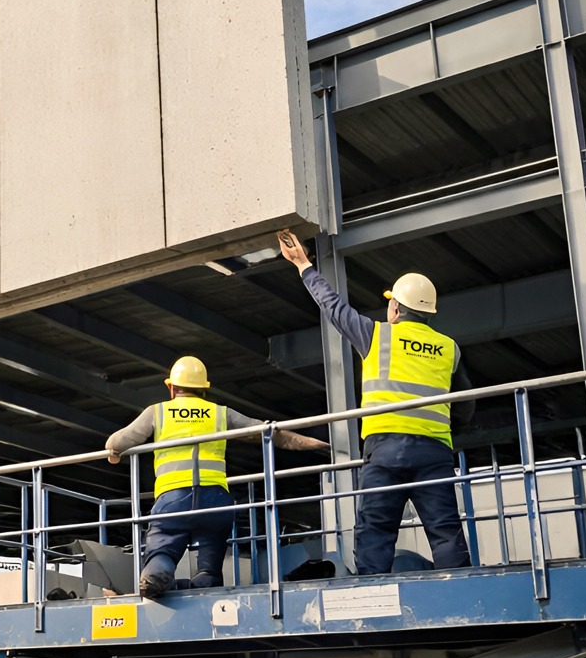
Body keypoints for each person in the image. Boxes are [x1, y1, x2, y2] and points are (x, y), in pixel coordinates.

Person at [276, 228, 472, 574]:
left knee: (376, 531)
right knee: (444, 531)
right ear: (429, 313)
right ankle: (463, 588)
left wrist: (303, 264)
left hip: (386, 451)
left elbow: (333, 307)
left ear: (395, 307)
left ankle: (373, 596)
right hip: (435, 452)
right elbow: (467, 403)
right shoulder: (449, 348)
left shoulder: (376, 335)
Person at [105, 355, 328, 600]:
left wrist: (114, 454)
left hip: (173, 500)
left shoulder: (157, 412)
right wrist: (317, 444)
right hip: (216, 502)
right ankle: (202, 582)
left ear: (171, 387)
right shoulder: (221, 414)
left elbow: (116, 442)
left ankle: (155, 577)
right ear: (204, 389)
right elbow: (269, 433)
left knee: (163, 549)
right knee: (209, 568)